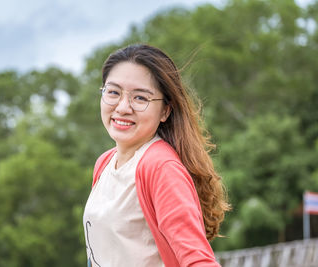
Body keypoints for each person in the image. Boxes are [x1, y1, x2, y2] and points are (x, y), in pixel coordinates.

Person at [83, 44, 230, 267]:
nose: (123, 107)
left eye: (140, 98)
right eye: (113, 92)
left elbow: (198, 260)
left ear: (165, 111)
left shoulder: (160, 167)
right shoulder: (104, 163)